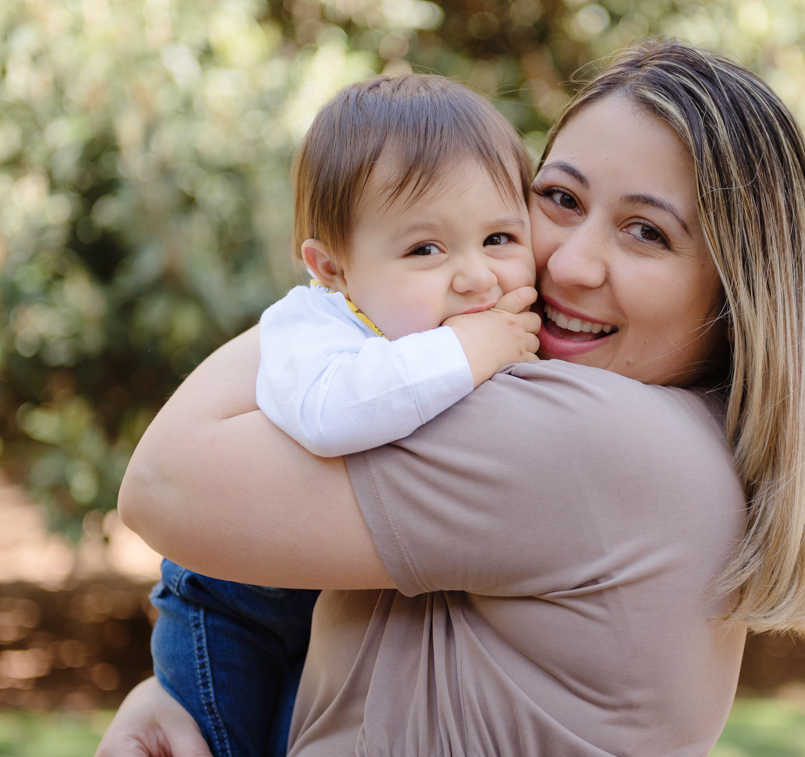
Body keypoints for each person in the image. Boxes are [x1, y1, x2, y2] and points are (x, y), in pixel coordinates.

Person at [99, 38, 805, 757]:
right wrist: (185, 695)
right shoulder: (684, 441)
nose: (572, 264)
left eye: (647, 231)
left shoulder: (588, 437)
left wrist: (346, 291)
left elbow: (164, 483)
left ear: (737, 290)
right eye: (560, 200)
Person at [147, 74, 542, 757]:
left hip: (321, 589)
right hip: (233, 604)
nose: (477, 275)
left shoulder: (453, 328)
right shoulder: (312, 329)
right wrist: (467, 349)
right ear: (331, 267)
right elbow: (337, 414)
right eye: (426, 248)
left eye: (501, 236)